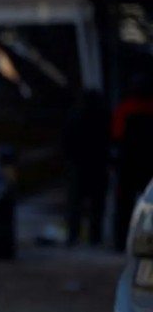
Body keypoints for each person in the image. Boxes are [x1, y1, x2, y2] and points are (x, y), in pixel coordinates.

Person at [62, 89, 111, 247]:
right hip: (96, 165)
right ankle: (93, 236)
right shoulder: (103, 116)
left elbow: (65, 140)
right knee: (96, 205)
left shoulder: (75, 115)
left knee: (76, 203)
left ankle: (74, 235)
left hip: (80, 165)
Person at [111, 73, 153, 252]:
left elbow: (116, 135)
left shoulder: (124, 109)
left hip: (127, 164)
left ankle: (121, 242)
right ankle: (146, 243)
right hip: (149, 164)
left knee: (124, 207)